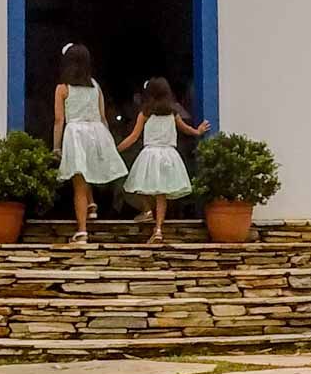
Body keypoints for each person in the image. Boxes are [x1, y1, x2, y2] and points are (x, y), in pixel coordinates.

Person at [118, 76, 210, 243]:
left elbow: (133, 137)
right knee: (161, 195)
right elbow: (186, 129)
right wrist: (198, 131)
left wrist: (116, 149)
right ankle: (158, 229)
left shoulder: (145, 113)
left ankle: (147, 211)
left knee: (139, 186)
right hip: (168, 155)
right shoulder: (173, 113)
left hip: (150, 154)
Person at [52, 43, 126, 244]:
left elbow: (59, 120)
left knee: (79, 181)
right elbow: (102, 117)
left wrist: (56, 147)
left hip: (75, 132)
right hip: (96, 132)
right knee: (88, 171)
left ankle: (82, 230)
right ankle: (92, 204)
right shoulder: (95, 86)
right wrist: (108, 142)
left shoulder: (62, 88)